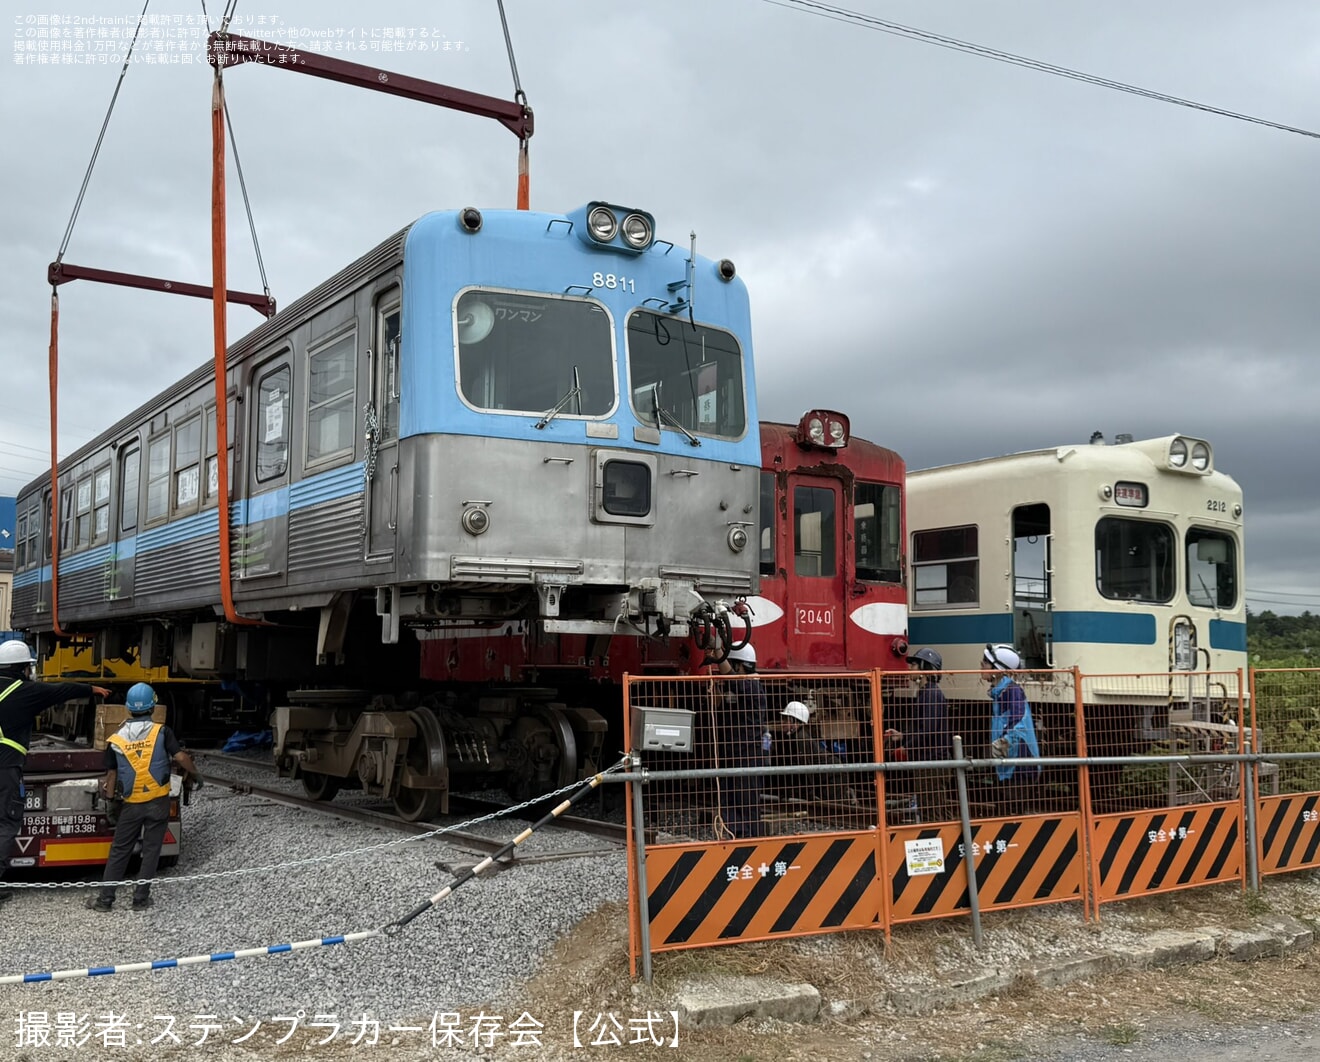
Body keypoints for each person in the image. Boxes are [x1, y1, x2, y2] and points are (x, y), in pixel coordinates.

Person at [0, 641, 111, 907]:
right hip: (5, 769)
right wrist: (91, 688)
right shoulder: (24, 691)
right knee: (6, 822)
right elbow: (60, 691)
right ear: (23, 669)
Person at [92, 682, 197, 912]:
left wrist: (110, 801)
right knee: (151, 850)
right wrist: (195, 773)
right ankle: (140, 899)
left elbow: (111, 775)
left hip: (130, 805)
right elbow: (180, 757)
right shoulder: (162, 731)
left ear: (128, 709)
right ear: (152, 707)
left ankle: (105, 900)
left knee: (120, 850)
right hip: (158, 802)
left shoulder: (116, 738)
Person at [707, 641, 768, 839]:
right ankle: (734, 835)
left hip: (748, 755)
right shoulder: (741, 689)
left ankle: (747, 839)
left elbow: (733, 680)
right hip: (734, 753)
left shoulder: (751, 687)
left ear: (740, 666)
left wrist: (718, 651)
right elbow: (724, 710)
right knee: (731, 799)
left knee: (745, 801)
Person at [884, 647, 952, 820]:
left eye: (914, 665)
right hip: (928, 761)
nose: (910, 669)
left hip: (932, 763)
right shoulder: (926, 693)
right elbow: (923, 728)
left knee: (933, 811)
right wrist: (903, 736)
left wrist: (906, 747)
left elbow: (928, 730)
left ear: (925, 668)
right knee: (933, 807)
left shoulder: (931, 694)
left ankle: (941, 841)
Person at [981, 643, 1041, 816]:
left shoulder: (1011, 691)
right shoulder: (1001, 691)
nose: (981, 667)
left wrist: (1004, 742)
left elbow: (1018, 722)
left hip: (1019, 763)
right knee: (1007, 812)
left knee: (1011, 814)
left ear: (997, 668)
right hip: (1010, 763)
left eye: (985, 663)